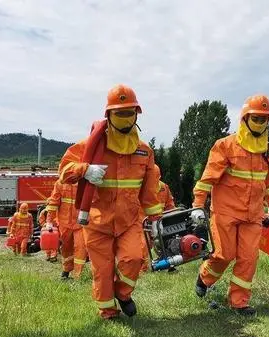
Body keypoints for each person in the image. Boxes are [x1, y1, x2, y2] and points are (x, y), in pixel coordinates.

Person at [58, 84, 162, 319]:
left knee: (134, 259)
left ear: (137, 114)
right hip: (97, 221)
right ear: (109, 115)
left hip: (129, 221)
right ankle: (107, 310)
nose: (126, 119)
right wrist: (84, 169)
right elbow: (64, 171)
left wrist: (156, 219)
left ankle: (123, 294)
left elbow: (149, 190)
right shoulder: (90, 146)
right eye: (120, 113)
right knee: (102, 271)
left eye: (130, 113)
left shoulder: (144, 151)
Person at [191, 94, 269, 316]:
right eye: (256, 118)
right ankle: (205, 277)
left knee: (249, 258)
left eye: (265, 119)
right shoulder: (225, 146)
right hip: (225, 213)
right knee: (223, 255)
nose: (261, 123)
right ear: (246, 118)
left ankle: (239, 302)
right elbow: (207, 179)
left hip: (253, 216)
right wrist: (197, 206)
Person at [45, 181, 87, 279]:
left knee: (80, 247)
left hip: (80, 224)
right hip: (64, 224)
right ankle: (66, 270)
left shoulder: (84, 183)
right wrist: (49, 221)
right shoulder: (59, 184)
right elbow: (53, 203)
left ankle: (78, 275)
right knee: (66, 249)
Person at [140, 164, 176, 272]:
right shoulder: (140, 190)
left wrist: (172, 217)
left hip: (160, 222)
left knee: (166, 240)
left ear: (158, 177)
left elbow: (170, 206)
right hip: (143, 223)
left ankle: (169, 263)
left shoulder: (164, 187)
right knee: (143, 245)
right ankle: (143, 269)